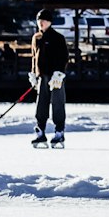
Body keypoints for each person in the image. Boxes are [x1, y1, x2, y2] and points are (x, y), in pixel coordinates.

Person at [30, 8, 70, 148]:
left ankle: (59, 131)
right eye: (39, 20)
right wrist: (33, 74)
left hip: (55, 77)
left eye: (44, 20)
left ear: (50, 22)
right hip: (42, 76)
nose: (41, 23)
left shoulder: (58, 37)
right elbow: (34, 57)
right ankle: (40, 131)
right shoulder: (36, 38)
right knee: (41, 103)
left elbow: (64, 57)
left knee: (58, 103)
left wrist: (59, 73)